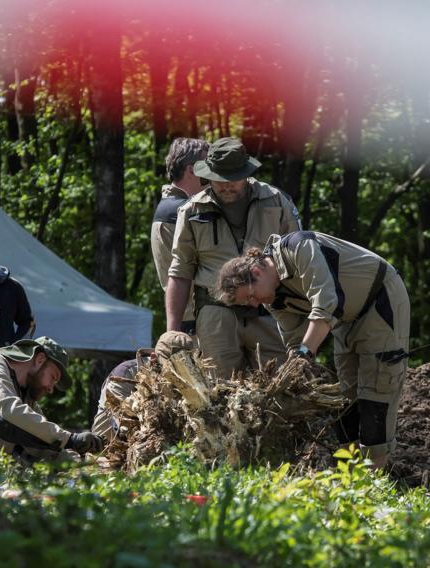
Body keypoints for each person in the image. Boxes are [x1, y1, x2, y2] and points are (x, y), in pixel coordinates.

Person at [215, 231, 410, 468]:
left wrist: (305, 353)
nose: (254, 305)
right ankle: (350, 473)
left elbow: (326, 302)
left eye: (251, 297)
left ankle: (376, 478)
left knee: (377, 392)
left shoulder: (299, 248)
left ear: (256, 273)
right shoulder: (273, 298)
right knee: (345, 397)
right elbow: (295, 341)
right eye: (248, 304)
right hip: (346, 320)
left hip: (379, 299)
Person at [166, 137, 302, 380]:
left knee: (283, 389)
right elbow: (180, 272)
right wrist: (172, 331)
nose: (226, 186)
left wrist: (300, 318)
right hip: (216, 316)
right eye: (219, 180)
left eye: (233, 180)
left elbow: (298, 262)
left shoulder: (276, 202)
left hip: (270, 313)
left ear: (246, 174)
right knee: (220, 394)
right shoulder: (191, 211)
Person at [151, 138, 209, 335]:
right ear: (192, 170)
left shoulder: (171, 206)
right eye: (208, 165)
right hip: (194, 325)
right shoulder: (180, 211)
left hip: (188, 322)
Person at [91, 332, 194, 441]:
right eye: (172, 367)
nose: (176, 374)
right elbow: (121, 422)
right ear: (154, 357)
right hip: (108, 445)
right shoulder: (125, 374)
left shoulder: (189, 378)